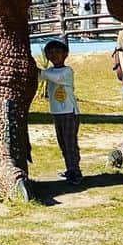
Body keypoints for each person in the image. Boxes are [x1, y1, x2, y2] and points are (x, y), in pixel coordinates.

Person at [39, 38, 82, 184]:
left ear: (65, 54)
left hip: (69, 112)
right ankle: (70, 168)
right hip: (56, 112)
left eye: (58, 52)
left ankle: (75, 171)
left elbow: (53, 77)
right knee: (63, 143)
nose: (54, 55)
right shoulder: (49, 71)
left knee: (70, 143)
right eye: (50, 53)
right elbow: (40, 77)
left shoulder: (67, 71)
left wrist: (40, 72)